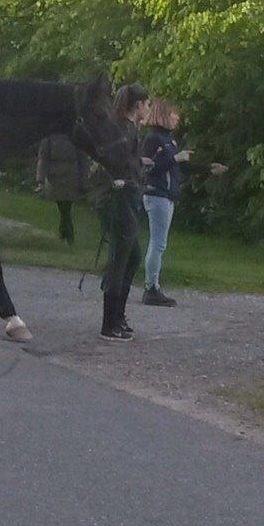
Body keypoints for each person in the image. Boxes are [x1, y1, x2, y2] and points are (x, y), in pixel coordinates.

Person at [140, 99, 227, 307]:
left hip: (166, 196)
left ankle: (152, 286)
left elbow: (179, 168)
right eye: (173, 114)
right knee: (157, 243)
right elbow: (148, 169)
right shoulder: (152, 138)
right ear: (163, 115)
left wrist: (207, 169)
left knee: (159, 243)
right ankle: (151, 288)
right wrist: (174, 159)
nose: (177, 117)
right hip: (156, 195)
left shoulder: (168, 140)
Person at [99, 82, 152, 342]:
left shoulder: (131, 129)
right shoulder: (121, 128)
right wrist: (119, 179)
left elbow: (127, 159)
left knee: (132, 257)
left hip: (131, 195)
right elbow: (110, 159)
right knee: (120, 258)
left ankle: (118, 315)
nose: (149, 109)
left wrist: (140, 165)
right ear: (138, 105)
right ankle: (109, 322)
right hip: (120, 198)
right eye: (147, 104)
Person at [35, 133, 88, 244]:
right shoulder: (49, 137)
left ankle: (65, 234)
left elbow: (82, 159)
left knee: (66, 207)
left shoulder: (75, 136)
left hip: (72, 176)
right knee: (63, 207)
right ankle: (67, 234)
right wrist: (40, 179)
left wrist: (84, 181)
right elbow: (43, 158)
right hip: (55, 178)